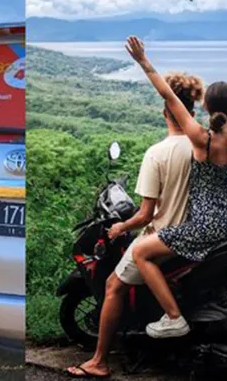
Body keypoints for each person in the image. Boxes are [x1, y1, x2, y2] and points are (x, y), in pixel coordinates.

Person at [125, 21, 227, 340]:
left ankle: (173, 317)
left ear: (204, 107)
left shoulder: (200, 139)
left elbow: (167, 95)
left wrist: (143, 61)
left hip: (206, 226)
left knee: (141, 253)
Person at [65, 73, 204, 378]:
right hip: (199, 236)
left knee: (114, 285)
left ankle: (99, 362)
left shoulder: (157, 153)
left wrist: (119, 228)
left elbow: (144, 215)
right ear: (192, 111)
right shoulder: (203, 143)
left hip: (164, 239)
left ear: (165, 111)